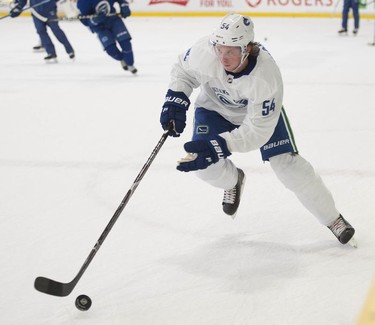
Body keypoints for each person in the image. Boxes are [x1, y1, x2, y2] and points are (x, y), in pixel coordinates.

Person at [160, 13, 356, 246]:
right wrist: (176, 100)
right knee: (204, 168)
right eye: (220, 48)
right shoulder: (205, 50)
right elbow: (183, 71)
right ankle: (234, 180)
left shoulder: (266, 76)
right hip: (214, 110)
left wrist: (220, 145)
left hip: (257, 117)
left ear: (247, 48)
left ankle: (333, 218)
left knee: (289, 167)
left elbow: (256, 132)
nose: (223, 57)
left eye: (231, 51)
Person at [76, 0, 137, 74]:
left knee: (125, 42)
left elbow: (122, 1)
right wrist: (94, 20)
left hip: (114, 20)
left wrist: (124, 5)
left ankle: (130, 64)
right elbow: (84, 19)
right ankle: (122, 59)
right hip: (99, 27)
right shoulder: (82, 2)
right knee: (111, 50)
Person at [9, 0, 75, 62]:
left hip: (50, 11)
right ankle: (51, 53)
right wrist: (18, 8)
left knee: (56, 30)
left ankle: (69, 50)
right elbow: (22, 2)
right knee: (41, 31)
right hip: (36, 13)